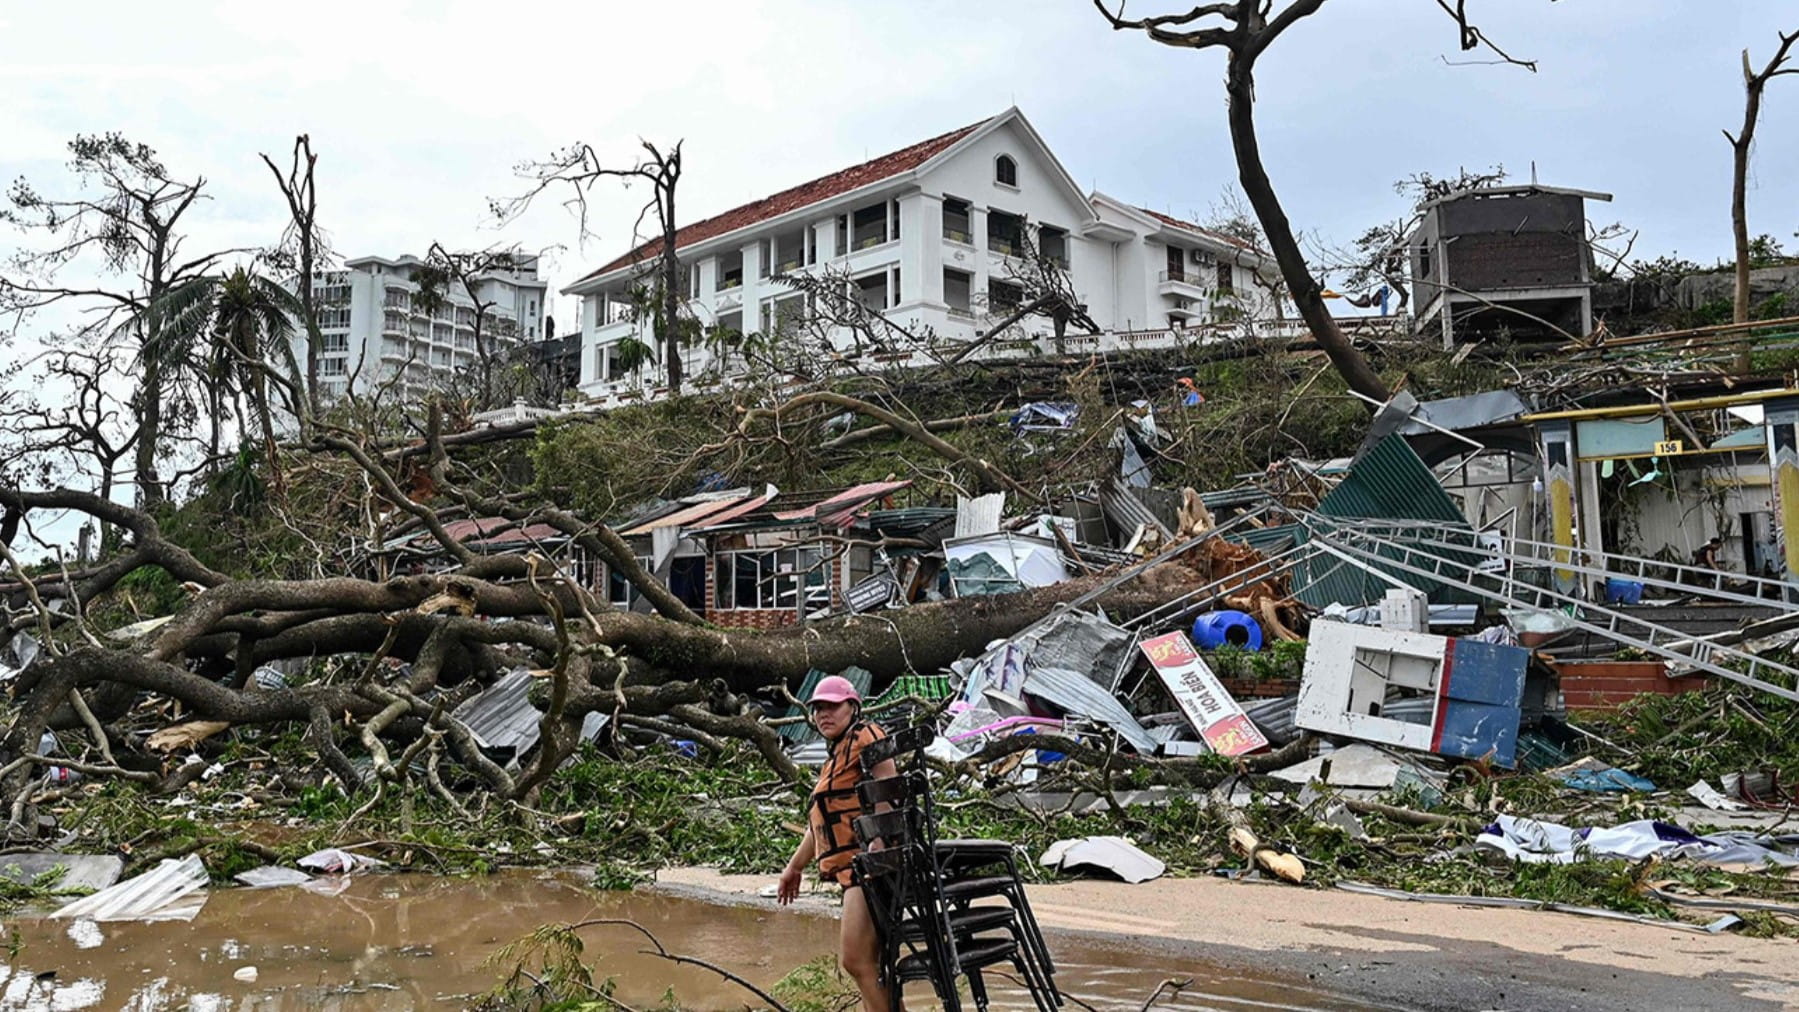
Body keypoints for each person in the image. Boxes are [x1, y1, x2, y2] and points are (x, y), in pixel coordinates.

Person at [776, 676, 901, 1010]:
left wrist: (877, 840)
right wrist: (794, 867)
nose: (823, 714)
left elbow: (887, 788)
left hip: (871, 865)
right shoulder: (834, 759)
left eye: (832, 706)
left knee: (857, 960)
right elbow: (820, 824)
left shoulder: (866, 735)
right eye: (818, 708)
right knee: (868, 964)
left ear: (853, 707)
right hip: (853, 870)